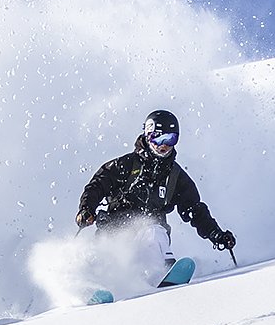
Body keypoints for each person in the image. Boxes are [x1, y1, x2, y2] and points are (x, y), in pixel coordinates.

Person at [75, 110, 237, 258]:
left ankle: (161, 271)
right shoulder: (126, 165)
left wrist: (215, 234)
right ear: (147, 135)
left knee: (155, 232)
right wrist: (86, 209)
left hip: (150, 239)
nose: (164, 145)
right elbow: (97, 185)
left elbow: (195, 210)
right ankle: (98, 280)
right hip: (114, 231)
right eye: (158, 138)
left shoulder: (175, 176)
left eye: (171, 139)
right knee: (101, 255)